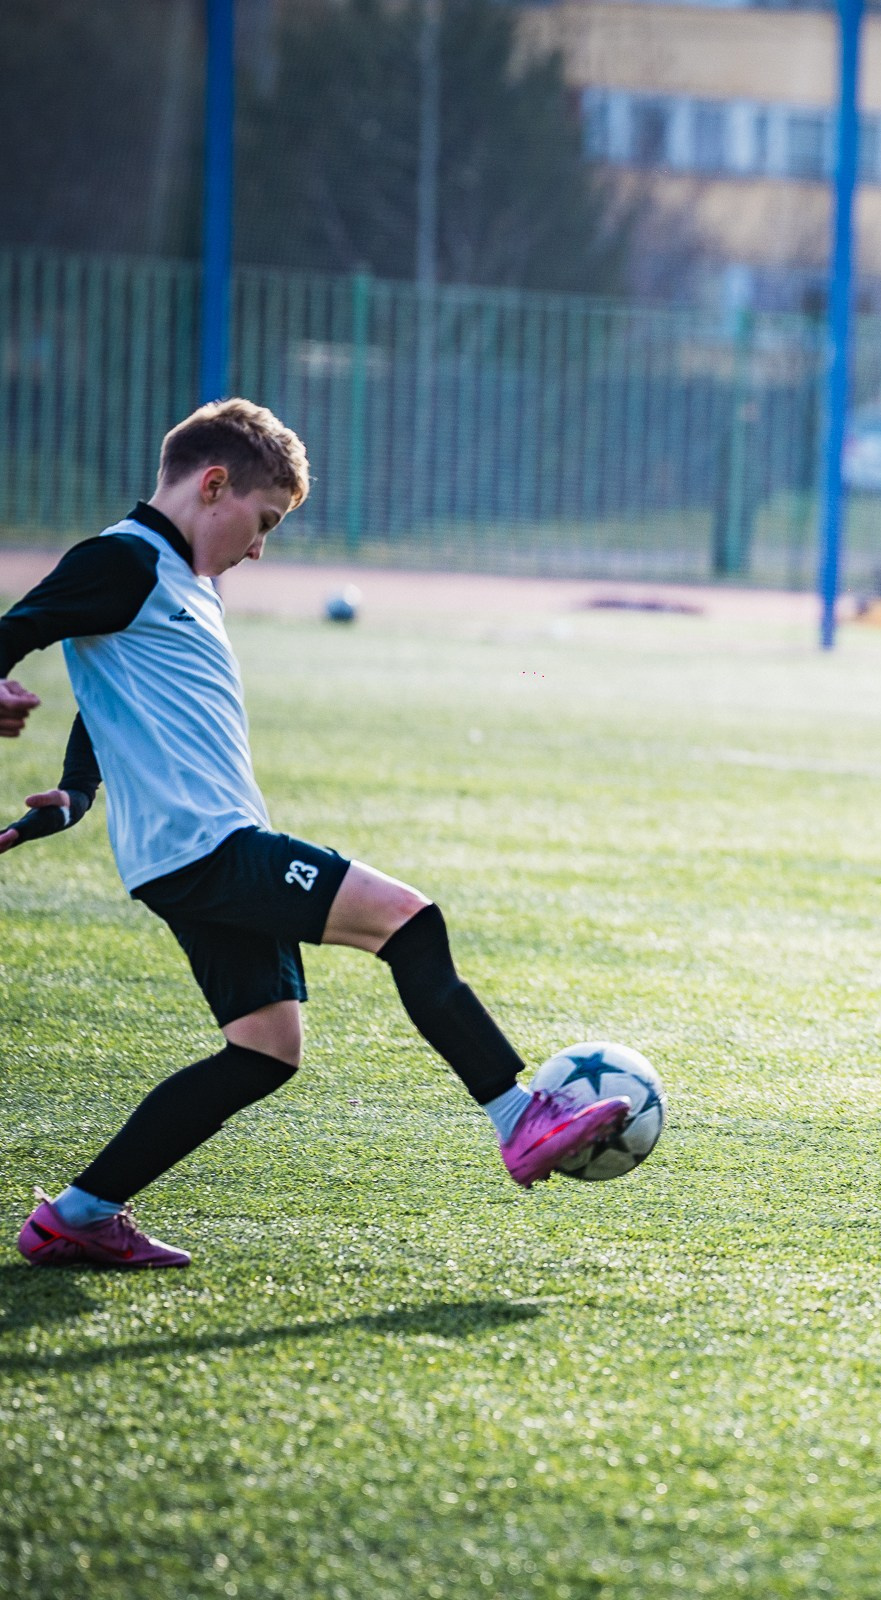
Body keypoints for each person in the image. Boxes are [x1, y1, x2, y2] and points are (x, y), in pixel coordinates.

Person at [0, 399, 630, 1271]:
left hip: (195, 851)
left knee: (265, 1050)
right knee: (407, 920)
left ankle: (80, 1214)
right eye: (262, 523)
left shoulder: (185, 580)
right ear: (213, 485)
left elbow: (109, 691)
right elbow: (18, 631)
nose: (261, 548)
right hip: (208, 849)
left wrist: (74, 795)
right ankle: (520, 1119)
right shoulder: (123, 559)